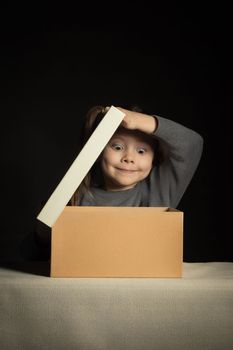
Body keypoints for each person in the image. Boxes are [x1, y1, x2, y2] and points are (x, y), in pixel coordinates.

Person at [22, 105, 203, 260]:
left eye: (141, 151)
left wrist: (136, 120)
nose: (129, 158)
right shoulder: (78, 198)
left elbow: (193, 143)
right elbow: (31, 257)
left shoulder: (159, 191)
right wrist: (42, 236)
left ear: (154, 158)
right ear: (99, 151)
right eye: (117, 147)